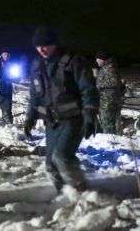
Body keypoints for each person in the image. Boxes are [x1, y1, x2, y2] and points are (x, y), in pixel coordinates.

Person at [24, 26, 99, 192]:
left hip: (74, 119)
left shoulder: (73, 62)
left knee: (62, 156)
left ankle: (81, 192)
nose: (41, 49)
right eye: (38, 46)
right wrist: (30, 117)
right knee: (50, 164)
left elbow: (89, 90)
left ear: (54, 44)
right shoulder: (36, 65)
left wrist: (90, 115)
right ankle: (64, 193)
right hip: (52, 122)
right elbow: (35, 95)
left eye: (46, 45)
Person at [95, 51, 124, 134]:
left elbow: (114, 82)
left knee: (107, 121)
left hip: (108, 99)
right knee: (106, 121)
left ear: (102, 59)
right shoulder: (106, 67)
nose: (97, 61)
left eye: (98, 60)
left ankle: (110, 139)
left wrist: (98, 84)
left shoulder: (110, 67)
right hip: (105, 99)